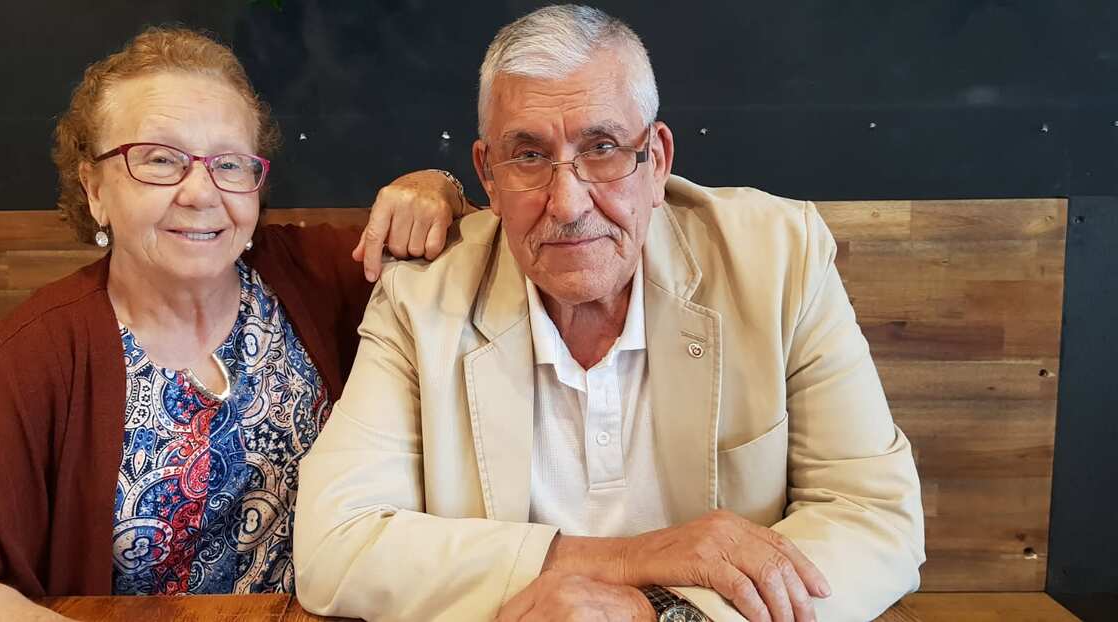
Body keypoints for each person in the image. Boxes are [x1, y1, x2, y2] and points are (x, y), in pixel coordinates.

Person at [294, 5, 925, 622]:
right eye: (530, 156)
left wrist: (666, 615)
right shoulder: (421, 297)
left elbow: (872, 516)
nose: (568, 204)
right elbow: (336, 545)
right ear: (488, 173)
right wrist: (631, 561)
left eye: (602, 148)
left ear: (658, 160)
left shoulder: (779, 259)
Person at [0, 26, 465, 622]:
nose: (201, 192)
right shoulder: (45, 347)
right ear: (93, 188)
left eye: (229, 164)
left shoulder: (322, 275)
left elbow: (494, 253)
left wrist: (438, 188)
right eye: (160, 160)